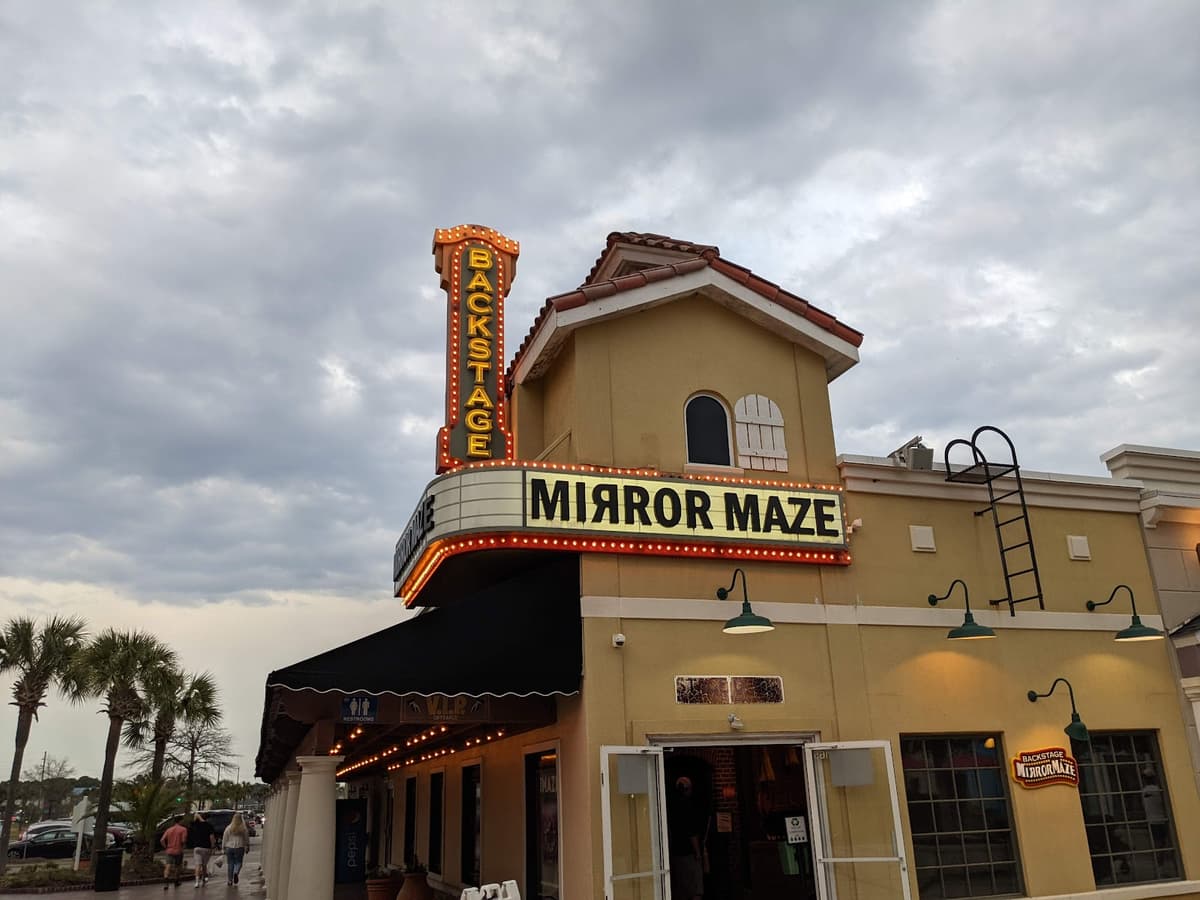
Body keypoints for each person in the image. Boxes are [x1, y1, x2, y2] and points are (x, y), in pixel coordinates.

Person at [667, 776, 706, 900]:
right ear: (687, 789)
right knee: (695, 889)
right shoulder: (688, 807)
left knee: (681, 888)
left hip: (676, 852)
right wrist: (698, 853)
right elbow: (692, 832)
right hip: (689, 853)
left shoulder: (671, 807)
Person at [187, 812, 217, 887]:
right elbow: (212, 838)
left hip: (197, 848)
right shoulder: (209, 826)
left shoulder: (195, 826)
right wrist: (213, 847)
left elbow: (193, 823)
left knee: (198, 865)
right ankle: (204, 878)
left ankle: (197, 882)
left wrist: (197, 816)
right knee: (204, 865)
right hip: (206, 848)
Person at [161, 816, 189, 890]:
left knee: (168, 866)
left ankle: (166, 882)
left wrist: (166, 847)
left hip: (169, 850)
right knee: (177, 866)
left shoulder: (169, 830)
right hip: (178, 850)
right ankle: (176, 881)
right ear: (180, 821)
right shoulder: (183, 829)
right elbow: (183, 840)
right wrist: (183, 847)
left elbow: (162, 840)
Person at [221, 814, 250, 886]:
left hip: (229, 848)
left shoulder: (229, 828)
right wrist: (247, 846)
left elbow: (225, 838)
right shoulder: (243, 828)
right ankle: (236, 872)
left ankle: (230, 881)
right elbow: (246, 838)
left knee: (230, 864)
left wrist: (223, 847)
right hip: (240, 847)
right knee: (239, 862)